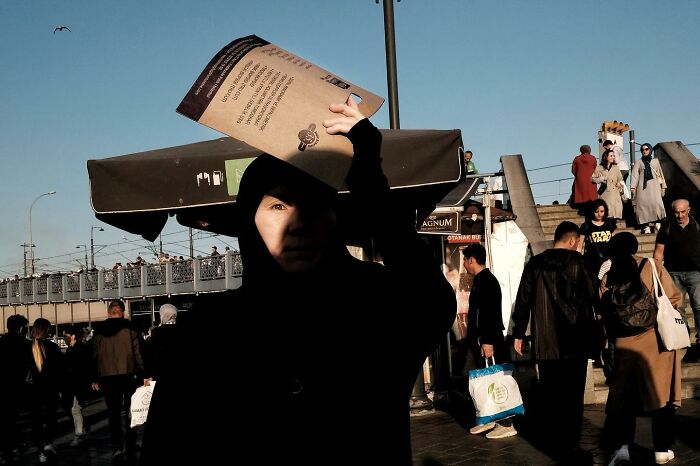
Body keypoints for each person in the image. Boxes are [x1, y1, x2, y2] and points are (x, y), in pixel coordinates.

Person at [139, 97, 456, 465]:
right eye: (278, 206)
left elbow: (431, 302)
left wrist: (368, 173)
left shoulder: (372, 305)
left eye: (314, 206)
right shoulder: (210, 327)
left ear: (333, 219)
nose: (299, 223)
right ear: (249, 220)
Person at [511, 221, 595, 463]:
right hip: (575, 341)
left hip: (546, 343)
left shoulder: (535, 263)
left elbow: (523, 299)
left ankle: (555, 443)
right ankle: (572, 445)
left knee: (552, 395)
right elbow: (593, 297)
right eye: (578, 243)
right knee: (573, 396)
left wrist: (518, 332)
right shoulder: (579, 263)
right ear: (571, 240)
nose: (578, 247)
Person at [600, 232, 682, 465]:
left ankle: (623, 447)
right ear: (635, 247)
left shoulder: (609, 276)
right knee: (660, 394)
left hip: (623, 344)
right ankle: (661, 449)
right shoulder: (652, 266)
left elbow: (603, 310)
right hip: (655, 342)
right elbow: (675, 298)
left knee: (624, 398)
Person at [462, 244, 517, 439]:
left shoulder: (487, 281)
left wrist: (487, 341)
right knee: (482, 379)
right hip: (481, 339)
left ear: (472, 260)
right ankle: (489, 418)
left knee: (496, 380)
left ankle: (506, 423)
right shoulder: (480, 280)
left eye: (465, 260)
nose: (464, 265)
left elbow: (489, 313)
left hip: (489, 339)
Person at [91, 299, 145, 461]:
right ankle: (130, 443)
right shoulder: (131, 329)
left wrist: (95, 378)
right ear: (122, 312)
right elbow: (138, 354)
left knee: (113, 414)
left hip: (107, 378)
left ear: (109, 312)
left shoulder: (99, 331)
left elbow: (94, 357)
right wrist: (144, 373)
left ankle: (117, 448)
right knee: (131, 412)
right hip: (129, 376)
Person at [654, 199, 700, 347]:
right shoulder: (666, 227)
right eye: (676, 212)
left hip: (695, 273)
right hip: (673, 273)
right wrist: (658, 272)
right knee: (677, 307)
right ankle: (684, 337)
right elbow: (658, 252)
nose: (679, 215)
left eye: (682, 212)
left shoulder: (697, 225)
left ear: (689, 210)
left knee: (699, 306)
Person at [26, 318, 64, 463]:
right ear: (47, 330)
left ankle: (40, 449)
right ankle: (49, 443)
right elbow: (61, 370)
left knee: (36, 420)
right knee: (50, 417)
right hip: (50, 389)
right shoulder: (53, 348)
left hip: (32, 390)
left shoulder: (27, 347)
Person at [0, 315, 30, 463]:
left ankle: (7, 448)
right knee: (12, 418)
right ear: (20, 328)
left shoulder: (1, 342)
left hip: (2, 386)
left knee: (6, 418)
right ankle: (13, 446)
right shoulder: (25, 344)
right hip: (17, 386)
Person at [62, 326, 92, 447]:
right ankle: (81, 432)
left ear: (73, 336)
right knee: (75, 408)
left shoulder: (79, 349)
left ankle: (79, 434)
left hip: (78, 384)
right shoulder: (73, 348)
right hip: (75, 384)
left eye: (66, 335)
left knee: (75, 409)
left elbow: (82, 367)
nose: (65, 338)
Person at [630, 143, 666, 234]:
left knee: (657, 205)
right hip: (642, 188)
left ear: (650, 150)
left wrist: (663, 186)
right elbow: (634, 175)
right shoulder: (639, 162)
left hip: (655, 186)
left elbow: (660, 174)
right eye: (642, 150)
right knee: (643, 207)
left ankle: (657, 223)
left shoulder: (655, 161)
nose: (644, 151)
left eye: (646, 149)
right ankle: (646, 227)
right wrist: (633, 187)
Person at [579, 199, 616, 286]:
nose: (599, 214)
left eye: (602, 211)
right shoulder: (586, 226)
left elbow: (614, 241)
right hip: (592, 262)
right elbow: (580, 244)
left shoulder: (609, 224)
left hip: (608, 261)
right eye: (597, 211)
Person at [592, 149, 624, 221]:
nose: (613, 157)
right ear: (606, 157)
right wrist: (600, 179)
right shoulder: (599, 167)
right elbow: (593, 178)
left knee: (615, 212)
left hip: (615, 191)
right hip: (605, 192)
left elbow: (620, 178)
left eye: (613, 156)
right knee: (607, 211)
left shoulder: (616, 167)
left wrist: (619, 183)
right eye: (611, 156)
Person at [571, 145, 598, 215]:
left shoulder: (577, 159)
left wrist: (578, 175)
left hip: (580, 179)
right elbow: (595, 169)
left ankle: (581, 209)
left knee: (581, 194)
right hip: (591, 179)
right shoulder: (593, 158)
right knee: (590, 194)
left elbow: (573, 170)